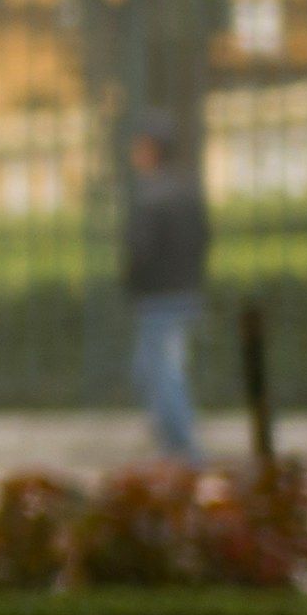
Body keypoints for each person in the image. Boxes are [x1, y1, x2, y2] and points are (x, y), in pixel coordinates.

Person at [119, 116, 208, 467]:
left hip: (157, 296)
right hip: (184, 291)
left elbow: (139, 250)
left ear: (151, 151)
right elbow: (204, 237)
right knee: (153, 368)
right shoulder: (186, 190)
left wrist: (132, 282)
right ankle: (172, 445)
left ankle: (183, 449)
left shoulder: (151, 195)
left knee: (162, 370)